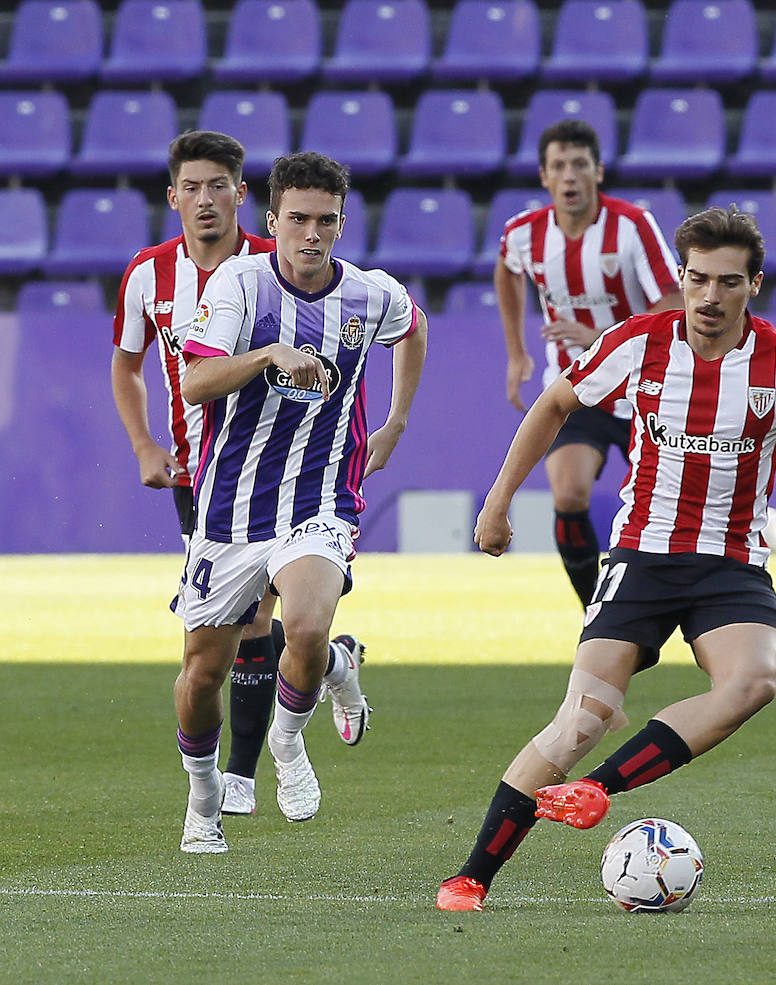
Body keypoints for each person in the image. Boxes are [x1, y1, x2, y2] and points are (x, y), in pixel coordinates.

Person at [437, 206, 776, 912]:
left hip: (730, 567)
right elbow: (553, 404)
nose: (709, 296)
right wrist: (498, 503)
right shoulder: (639, 342)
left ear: (754, 285)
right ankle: (469, 878)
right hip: (642, 556)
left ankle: (597, 790)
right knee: (581, 720)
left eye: (728, 282)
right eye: (697, 279)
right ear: (681, 277)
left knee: (754, 681)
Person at [172, 151, 427, 853]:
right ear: (273, 218)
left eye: (326, 221)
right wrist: (267, 355)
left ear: (341, 223)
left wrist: (396, 421)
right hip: (231, 506)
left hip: (321, 497)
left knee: (306, 627)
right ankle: (203, 797)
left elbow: (414, 327)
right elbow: (195, 383)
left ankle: (286, 744)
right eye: (298, 219)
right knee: (202, 673)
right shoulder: (239, 283)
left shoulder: (371, 294)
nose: (311, 234)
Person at [111, 131, 367, 820]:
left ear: (242, 195)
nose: (205, 199)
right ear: (173, 197)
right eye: (191, 187)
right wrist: (142, 443)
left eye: (217, 185)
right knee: (224, 641)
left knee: (260, 622)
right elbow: (128, 366)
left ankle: (245, 772)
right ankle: (335, 664)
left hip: (289, 479)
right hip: (202, 477)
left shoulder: (278, 263)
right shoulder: (148, 275)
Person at [495, 118, 683, 607]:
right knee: (568, 494)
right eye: (559, 166)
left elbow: (673, 304)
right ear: (544, 176)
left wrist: (602, 337)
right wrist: (516, 352)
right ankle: (594, 613)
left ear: (598, 171)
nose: (569, 176)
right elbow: (507, 270)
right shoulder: (524, 233)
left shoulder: (631, 227)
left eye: (579, 164)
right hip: (581, 390)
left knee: (668, 511)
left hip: (648, 388)